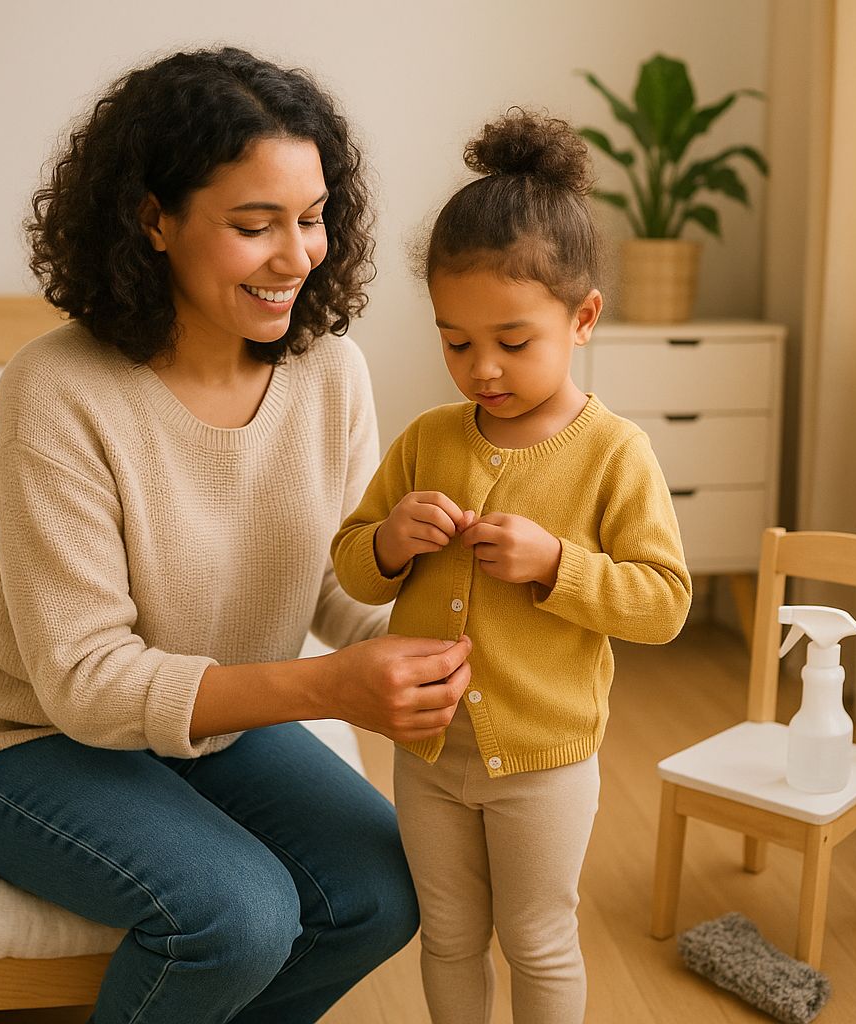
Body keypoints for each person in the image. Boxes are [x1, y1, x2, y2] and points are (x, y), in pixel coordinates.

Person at [0, 47, 473, 1024]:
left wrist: (416, 566)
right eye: (254, 225)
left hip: (213, 719)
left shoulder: (329, 371)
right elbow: (89, 682)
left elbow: (342, 598)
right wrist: (327, 689)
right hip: (31, 738)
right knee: (240, 915)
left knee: (387, 889)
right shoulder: (55, 393)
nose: (297, 256)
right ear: (154, 221)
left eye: (310, 219)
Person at [331, 109, 693, 1023]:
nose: (481, 368)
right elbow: (351, 569)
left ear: (583, 319)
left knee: (537, 938)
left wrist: (557, 565)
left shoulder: (615, 454)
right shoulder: (427, 440)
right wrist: (388, 540)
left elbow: (664, 604)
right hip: (426, 753)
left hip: (544, 760)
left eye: (512, 342)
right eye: (456, 342)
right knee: (449, 934)